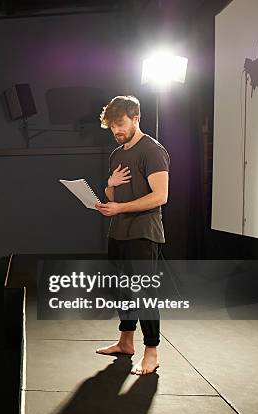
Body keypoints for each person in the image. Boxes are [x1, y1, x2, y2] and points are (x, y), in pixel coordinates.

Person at [93, 95, 170, 376]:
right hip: (119, 232)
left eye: (121, 123)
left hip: (143, 233)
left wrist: (121, 206)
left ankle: (152, 352)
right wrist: (109, 188)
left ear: (136, 118)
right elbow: (113, 195)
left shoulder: (152, 151)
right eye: (112, 125)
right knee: (122, 290)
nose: (116, 130)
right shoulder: (117, 154)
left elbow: (160, 196)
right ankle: (126, 342)